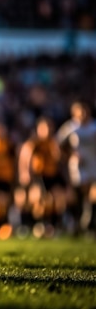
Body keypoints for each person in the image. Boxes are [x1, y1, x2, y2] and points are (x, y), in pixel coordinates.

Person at [17, 116, 65, 237]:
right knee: (39, 201)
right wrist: (25, 173)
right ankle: (34, 224)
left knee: (57, 200)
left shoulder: (54, 143)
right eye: (44, 127)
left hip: (52, 176)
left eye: (49, 127)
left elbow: (60, 160)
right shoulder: (33, 143)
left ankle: (53, 226)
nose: (47, 130)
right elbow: (25, 159)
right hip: (39, 176)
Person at [58, 100, 96, 237]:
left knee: (93, 194)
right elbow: (59, 146)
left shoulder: (93, 127)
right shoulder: (70, 128)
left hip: (94, 165)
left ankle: (88, 222)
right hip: (78, 167)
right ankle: (78, 223)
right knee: (80, 194)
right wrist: (71, 155)